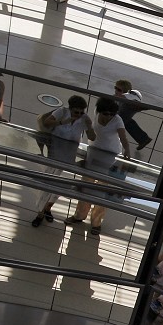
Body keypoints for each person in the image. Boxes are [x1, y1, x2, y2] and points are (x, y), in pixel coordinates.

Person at [68, 97, 131, 236]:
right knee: (85, 186)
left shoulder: (117, 120)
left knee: (103, 191)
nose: (108, 116)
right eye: (105, 113)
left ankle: (96, 223)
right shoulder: (96, 112)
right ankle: (79, 215)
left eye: (111, 114)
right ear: (99, 111)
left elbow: (123, 138)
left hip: (111, 157)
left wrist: (127, 150)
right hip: (94, 153)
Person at [30, 95, 90, 227]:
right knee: (47, 184)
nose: (79, 115)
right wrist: (64, 121)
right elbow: (47, 123)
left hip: (70, 155)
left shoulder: (84, 119)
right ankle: (40, 213)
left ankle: (47, 209)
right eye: (76, 112)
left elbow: (91, 136)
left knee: (60, 187)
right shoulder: (62, 112)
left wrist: (89, 126)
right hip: (55, 151)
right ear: (70, 109)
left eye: (81, 112)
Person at [112, 79, 151, 153]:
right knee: (126, 121)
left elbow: (134, 102)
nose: (116, 90)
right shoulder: (117, 97)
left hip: (129, 107)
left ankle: (143, 139)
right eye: (115, 88)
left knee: (122, 119)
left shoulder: (127, 98)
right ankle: (143, 139)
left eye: (119, 89)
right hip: (125, 111)